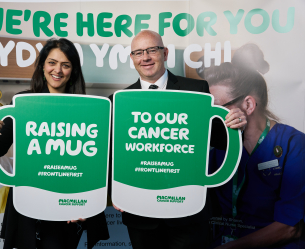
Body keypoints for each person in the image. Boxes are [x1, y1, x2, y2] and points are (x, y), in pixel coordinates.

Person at [109, 30, 246, 249]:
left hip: (188, 213)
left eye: (151, 50)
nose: (145, 57)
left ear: (165, 53)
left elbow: (218, 140)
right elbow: (112, 154)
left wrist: (235, 122)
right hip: (140, 213)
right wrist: (115, 191)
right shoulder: (118, 100)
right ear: (132, 58)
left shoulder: (197, 90)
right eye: (138, 52)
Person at [0, 38, 109, 249]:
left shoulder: (85, 106)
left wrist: (83, 203)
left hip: (68, 204)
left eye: (65, 65)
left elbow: (91, 163)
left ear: (73, 71)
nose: (57, 70)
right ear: (42, 66)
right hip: (29, 204)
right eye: (52, 62)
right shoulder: (25, 102)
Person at [205, 54, 305, 248]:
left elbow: (291, 227)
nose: (211, 116)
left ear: (248, 105)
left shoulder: (294, 144)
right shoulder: (218, 147)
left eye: (217, 108)